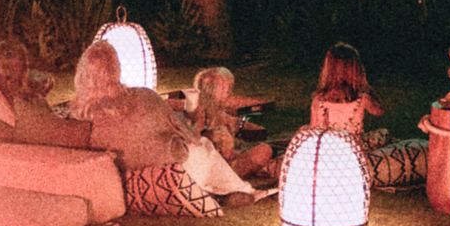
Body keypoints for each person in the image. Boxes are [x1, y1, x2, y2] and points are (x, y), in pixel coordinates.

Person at [73, 43, 262, 199]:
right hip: (173, 174)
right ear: (117, 68)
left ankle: (221, 190)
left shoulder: (80, 112)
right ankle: (240, 190)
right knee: (203, 145)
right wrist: (197, 122)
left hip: (125, 173)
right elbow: (190, 137)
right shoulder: (143, 96)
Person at [309, 41, 426, 188]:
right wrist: (368, 88)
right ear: (356, 70)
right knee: (383, 133)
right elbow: (380, 111)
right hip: (351, 150)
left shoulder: (318, 100)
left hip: (326, 150)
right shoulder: (362, 98)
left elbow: (314, 128)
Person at [191, 66, 274, 182]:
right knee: (263, 152)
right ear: (208, 89)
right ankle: (228, 179)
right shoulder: (197, 111)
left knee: (264, 149)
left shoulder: (218, 112)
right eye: (223, 87)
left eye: (228, 87)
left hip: (224, 164)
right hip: (210, 168)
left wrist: (242, 124)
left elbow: (236, 123)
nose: (228, 91)